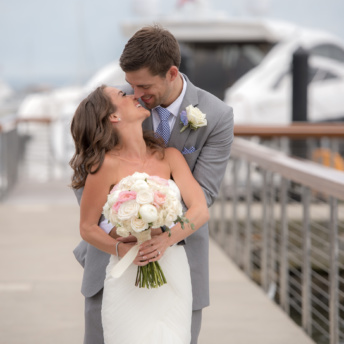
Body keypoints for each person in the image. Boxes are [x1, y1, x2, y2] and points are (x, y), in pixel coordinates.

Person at [73, 25, 234, 344]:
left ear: (172, 73)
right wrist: (123, 224)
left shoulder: (215, 116)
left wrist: (158, 233)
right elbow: (86, 170)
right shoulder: (119, 105)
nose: (135, 93)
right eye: (130, 85)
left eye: (143, 86)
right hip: (112, 261)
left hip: (179, 259)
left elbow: (205, 197)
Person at [70, 85, 210, 343]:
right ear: (113, 117)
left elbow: (200, 210)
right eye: (123, 96)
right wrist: (119, 250)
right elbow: (87, 227)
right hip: (126, 275)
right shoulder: (103, 167)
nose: (134, 95)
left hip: (173, 271)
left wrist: (166, 239)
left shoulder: (170, 157)